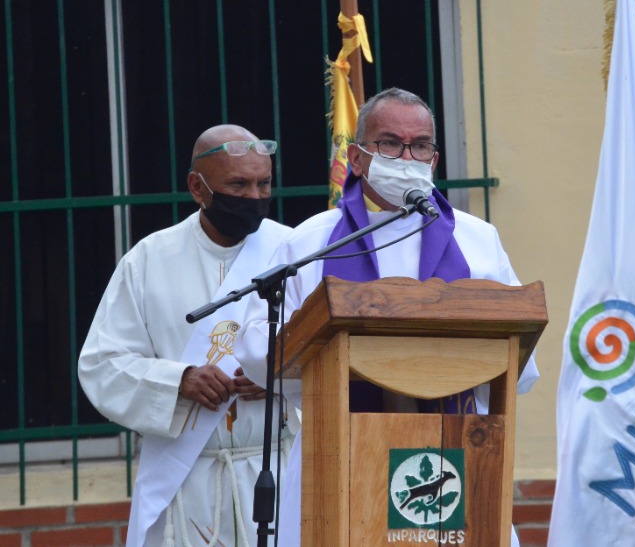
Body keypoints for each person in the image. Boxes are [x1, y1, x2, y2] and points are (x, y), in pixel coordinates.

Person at [234, 87, 539, 547]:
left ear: (434, 160)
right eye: (391, 143)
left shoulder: (477, 240)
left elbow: (516, 356)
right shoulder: (312, 242)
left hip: (458, 451)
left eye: (420, 146)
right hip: (339, 449)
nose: (407, 157)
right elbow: (260, 346)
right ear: (357, 158)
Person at [78, 125, 295, 547]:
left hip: (276, 469)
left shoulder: (295, 250)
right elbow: (102, 364)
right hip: (188, 478)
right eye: (238, 185)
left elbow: (334, 354)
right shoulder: (149, 260)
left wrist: (282, 376)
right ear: (198, 187)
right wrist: (180, 380)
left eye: (264, 184)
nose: (254, 196)